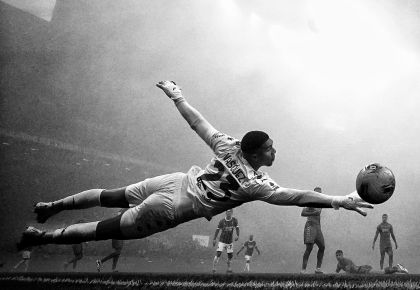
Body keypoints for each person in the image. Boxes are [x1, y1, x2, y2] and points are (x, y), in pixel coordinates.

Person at [16, 81, 373, 252]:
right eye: (269, 149)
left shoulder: (228, 145)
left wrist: (177, 95)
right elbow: (296, 196)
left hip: (173, 182)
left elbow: (198, 123)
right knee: (102, 228)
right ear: (255, 154)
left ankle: (53, 206)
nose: (274, 151)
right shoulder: (256, 185)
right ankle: (40, 238)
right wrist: (338, 200)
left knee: (111, 195)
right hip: (172, 207)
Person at [300, 187, 325, 274]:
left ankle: (318, 268)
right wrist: (313, 213)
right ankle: (303, 269)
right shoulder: (310, 202)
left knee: (322, 247)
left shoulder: (321, 203)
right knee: (309, 248)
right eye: (317, 193)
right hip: (310, 225)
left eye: (320, 193)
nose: (319, 194)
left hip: (318, 227)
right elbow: (302, 213)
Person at [334, 250, 408, 274]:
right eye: (337, 256)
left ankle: (397, 268)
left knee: (381, 272)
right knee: (381, 273)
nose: (338, 257)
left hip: (363, 270)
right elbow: (336, 273)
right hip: (361, 271)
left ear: (342, 255)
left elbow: (347, 273)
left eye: (339, 255)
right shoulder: (339, 264)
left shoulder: (346, 261)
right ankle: (396, 268)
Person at [212, 209, 239, 273]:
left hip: (229, 241)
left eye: (230, 211)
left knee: (230, 255)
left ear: (232, 212)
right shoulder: (222, 221)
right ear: (225, 212)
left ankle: (228, 268)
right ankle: (214, 268)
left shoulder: (234, 220)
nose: (229, 213)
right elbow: (217, 230)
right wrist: (214, 239)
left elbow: (237, 228)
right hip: (222, 241)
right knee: (218, 254)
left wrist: (237, 235)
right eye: (227, 211)